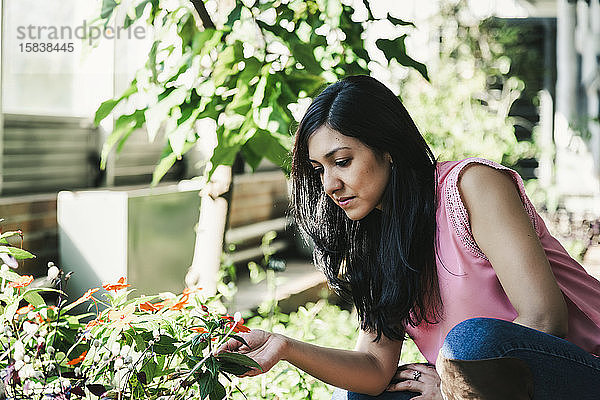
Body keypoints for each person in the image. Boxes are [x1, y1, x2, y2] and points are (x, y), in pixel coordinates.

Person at [220, 75, 600, 399]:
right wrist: (284, 347)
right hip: (488, 387)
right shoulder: (376, 238)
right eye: (319, 170)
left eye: (342, 161)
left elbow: (545, 319)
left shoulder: (470, 186)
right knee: (369, 392)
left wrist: (453, 384)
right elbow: (373, 366)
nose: (330, 185)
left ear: (388, 150)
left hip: (581, 371)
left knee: (471, 344)